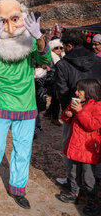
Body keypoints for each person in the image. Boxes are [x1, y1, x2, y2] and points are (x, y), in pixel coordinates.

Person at [0, 0, 51, 209]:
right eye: (3, 21)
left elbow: (44, 60)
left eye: (15, 19)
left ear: (23, 17)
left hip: (26, 105)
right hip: (1, 103)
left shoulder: (31, 40)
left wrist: (39, 36)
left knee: (23, 149)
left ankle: (17, 187)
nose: (9, 27)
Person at [54, 29, 101, 189]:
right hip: (96, 112)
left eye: (64, 46)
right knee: (94, 147)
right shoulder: (98, 61)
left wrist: (70, 112)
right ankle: (93, 183)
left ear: (68, 45)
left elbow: (62, 91)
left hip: (73, 111)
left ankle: (73, 183)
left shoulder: (62, 65)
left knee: (70, 147)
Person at [55, 79, 101, 215]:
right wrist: (68, 113)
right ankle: (75, 193)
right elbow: (66, 118)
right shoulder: (77, 102)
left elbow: (92, 125)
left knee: (88, 176)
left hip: (88, 150)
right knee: (74, 172)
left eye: (79, 90)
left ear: (89, 91)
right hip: (75, 146)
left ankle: (93, 200)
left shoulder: (97, 107)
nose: (76, 92)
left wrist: (80, 111)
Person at [44, 37, 65, 126]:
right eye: (56, 48)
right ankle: (54, 117)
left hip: (57, 80)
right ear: (52, 48)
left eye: (60, 47)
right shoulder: (50, 57)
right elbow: (50, 71)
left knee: (55, 100)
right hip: (53, 81)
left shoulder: (62, 56)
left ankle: (48, 112)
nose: (59, 50)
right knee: (56, 99)